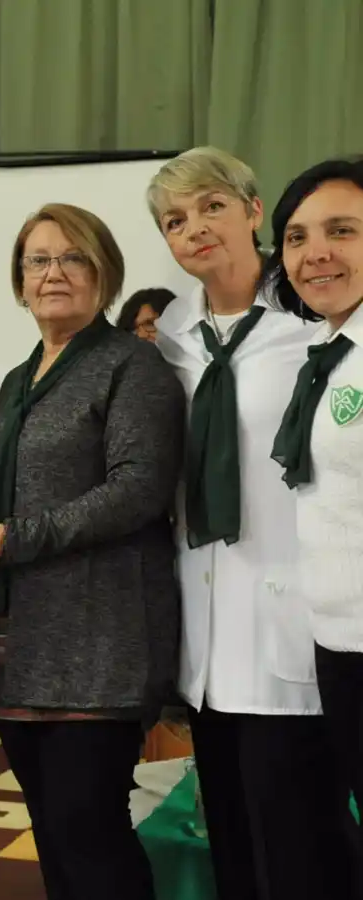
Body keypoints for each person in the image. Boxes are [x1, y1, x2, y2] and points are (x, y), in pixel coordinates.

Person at [0, 203, 185, 900]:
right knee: (51, 830)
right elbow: (2, 489)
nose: (54, 273)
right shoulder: (20, 379)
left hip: (101, 638)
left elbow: (137, 490)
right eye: (38, 260)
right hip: (21, 643)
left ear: (104, 274)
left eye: (73, 257)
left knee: (89, 831)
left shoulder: (131, 364)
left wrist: (16, 538)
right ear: (20, 281)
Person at [148, 146, 355, 899]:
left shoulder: (316, 321)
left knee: (300, 851)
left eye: (213, 207)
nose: (196, 228)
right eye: (176, 220)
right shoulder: (171, 337)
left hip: (299, 626)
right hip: (207, 636)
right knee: (231, 845)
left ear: (254, 212)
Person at [266, 157, 363, 889]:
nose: (315, 253)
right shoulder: (329, 352)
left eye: (342, 231)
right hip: (340, 641)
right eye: (297, 238)